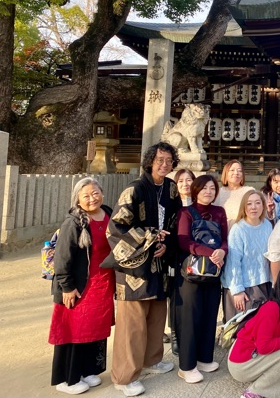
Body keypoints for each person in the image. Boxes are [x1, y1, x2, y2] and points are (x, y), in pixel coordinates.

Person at [106, 142, 182, 397]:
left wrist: (167, 245)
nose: (164, 164)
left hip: (159, 263)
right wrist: (149, 237)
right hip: (135, 266)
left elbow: (176, 222)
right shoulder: (135, 188)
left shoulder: (171, 189)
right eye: (160, 160)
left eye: (169, 160)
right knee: (133, 322)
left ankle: (152, 359)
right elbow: (116, 227)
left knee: (157, 314)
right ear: (150, 161)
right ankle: (124, 376)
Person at [48, 178, 114, 395]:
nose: (92, 198)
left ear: (102, 193)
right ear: (77, 199)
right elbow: (62, 258)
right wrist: (66, 287)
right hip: (80, 286)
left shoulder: (109, 214)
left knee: (95, 329)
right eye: (86, 195)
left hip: (103, 283)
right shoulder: (74, 223)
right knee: (74, 331)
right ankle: (68, 379)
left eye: (95, 193)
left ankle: (88, 370)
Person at [174, 174, 228, 383]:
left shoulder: (219, 212)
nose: (208, 192)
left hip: (213, 272)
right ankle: (187, 366)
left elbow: (224, 239)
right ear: (196, 190)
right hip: (191, 273)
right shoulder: (186, 212)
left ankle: (205, 358)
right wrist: (210, 252)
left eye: (212, 188)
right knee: (190, 318)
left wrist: (222, 251)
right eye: (204, 188)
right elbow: (183, 241)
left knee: (209, 315)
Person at [228, 262, 280, 398]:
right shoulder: (272, 308)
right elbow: (263, 347)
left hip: (258, 355)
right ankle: (255, 391)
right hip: (242, 362)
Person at [222, 190, 273, 322]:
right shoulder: (238, 229)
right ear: (244, 207)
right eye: (249, 204)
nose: (253, 207)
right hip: (244, 286)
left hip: (263, 282)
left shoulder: (267, 225)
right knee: (243, 327)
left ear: (263, 205)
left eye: (257, 203)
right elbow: (233, 262)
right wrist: (237, 290)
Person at [168, 168, 196, 354]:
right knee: (175, 294)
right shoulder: (172, 204)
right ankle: (175, 334)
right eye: (181, 181)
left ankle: (191, 331)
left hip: (195, 254)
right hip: (175, 254)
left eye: (189, 180)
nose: (185, 184)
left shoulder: (200, 203)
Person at [216, 160, 255, 230]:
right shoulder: (218, 192)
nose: (236, 173)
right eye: (232, 170)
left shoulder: (249, 191)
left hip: (243, 230)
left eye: (239, 171)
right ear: (226, 173)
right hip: (221, 232)